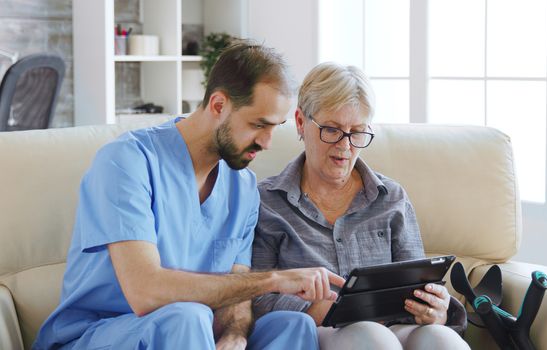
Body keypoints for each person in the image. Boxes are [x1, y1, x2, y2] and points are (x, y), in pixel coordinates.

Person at [33, 42, 345, 350]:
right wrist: (274, 280)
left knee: (294, 325)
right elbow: (145, 293)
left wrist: (235, 334)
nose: (267, 142)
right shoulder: (127, 162)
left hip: (195, 337)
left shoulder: (243, 188)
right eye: (257, 125)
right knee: (186, 316)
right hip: (99, 336)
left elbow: (236, 292)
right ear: (219, 105)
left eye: (275, 127)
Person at [252, 62, 469, 350]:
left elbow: (420, 282)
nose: (345, 146)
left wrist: (436, 309)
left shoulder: (391, 197)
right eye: (332, 129)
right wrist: (316, 308)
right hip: (320, 331)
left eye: (357, 132)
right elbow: (254, 296)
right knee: (370, 338)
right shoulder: (268, 201)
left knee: (442, 340)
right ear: (302, 123)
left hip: (395, 328)